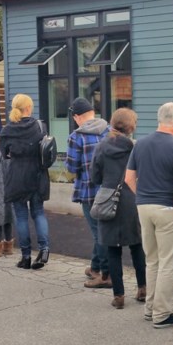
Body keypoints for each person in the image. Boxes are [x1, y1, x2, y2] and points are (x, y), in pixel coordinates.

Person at [125, 102, 173, 328]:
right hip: (170, 208)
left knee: (152, 260)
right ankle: (162, 314)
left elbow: (129, 178)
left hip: (144, 206)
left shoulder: (140, 144)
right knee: (169, 264)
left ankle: (150, 308)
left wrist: (142, 196)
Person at [90, 108, 147, 309]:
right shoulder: (135, 147)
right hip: (132, 198)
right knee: (137, 246)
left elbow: (94, 177)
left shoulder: (101, 146)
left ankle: (119, 295)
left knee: (112, 249)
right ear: (131, 126)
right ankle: (143, 288)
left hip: (108, 200)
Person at [64, 97, 110, 287]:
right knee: (102, 230)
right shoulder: (109, 130)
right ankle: (95, 267)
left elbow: (71, 167)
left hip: (88, 190)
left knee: (98, 233)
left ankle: (106, 275)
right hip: (110, 190)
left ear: (77, 117)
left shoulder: (77, 136)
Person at [1, 94, 51, 270]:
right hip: (37, 174)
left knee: (21, 216)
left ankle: (26, 256)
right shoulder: (39, 126)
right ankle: (44, 250)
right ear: (29, 108)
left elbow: (4, 154)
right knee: (38, 213)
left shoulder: (7, 130)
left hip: (17, 176)